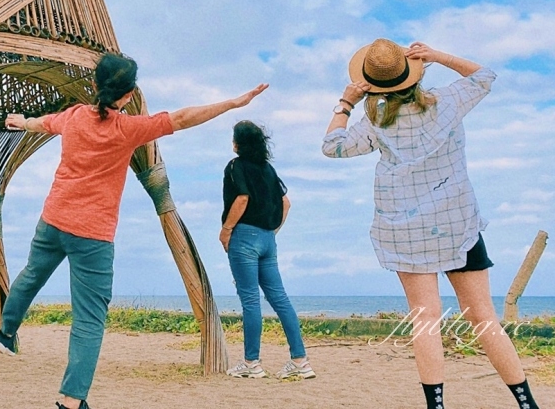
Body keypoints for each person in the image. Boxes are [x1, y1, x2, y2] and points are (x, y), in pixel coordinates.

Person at [0, 52, 268, 409]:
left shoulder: (74, 117)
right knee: (90, 318)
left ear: (95, 86)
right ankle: (71, 400)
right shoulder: (128, 130)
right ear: (128, 95)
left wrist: (21, 120)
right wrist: (234, 103)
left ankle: (5, 333)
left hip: (53, 219)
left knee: (31, 275)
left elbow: (44, 123)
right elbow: (183, 118)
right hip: (92, 235)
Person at [323, 39, 543, 409]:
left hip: (405, 232)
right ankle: (526, 403)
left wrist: (346, 103)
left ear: (372, 85)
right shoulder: (447, 102)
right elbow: (485, 76)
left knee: (425, 320)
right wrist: (437, 55)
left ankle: (436, 406)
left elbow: (333, 146)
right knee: (483, 317)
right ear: (413, 72)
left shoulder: (375, 121)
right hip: (457, 224)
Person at [221, 120, 313, 380]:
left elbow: (241, 198)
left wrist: (227, 229)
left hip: (244, 237)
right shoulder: (268, 169)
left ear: (237, 143)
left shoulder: (235, 166)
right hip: (267, 240)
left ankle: (251, 363)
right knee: (280, 299)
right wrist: (272, 232)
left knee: (250, 300)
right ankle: (300, 360)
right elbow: (286, 203)